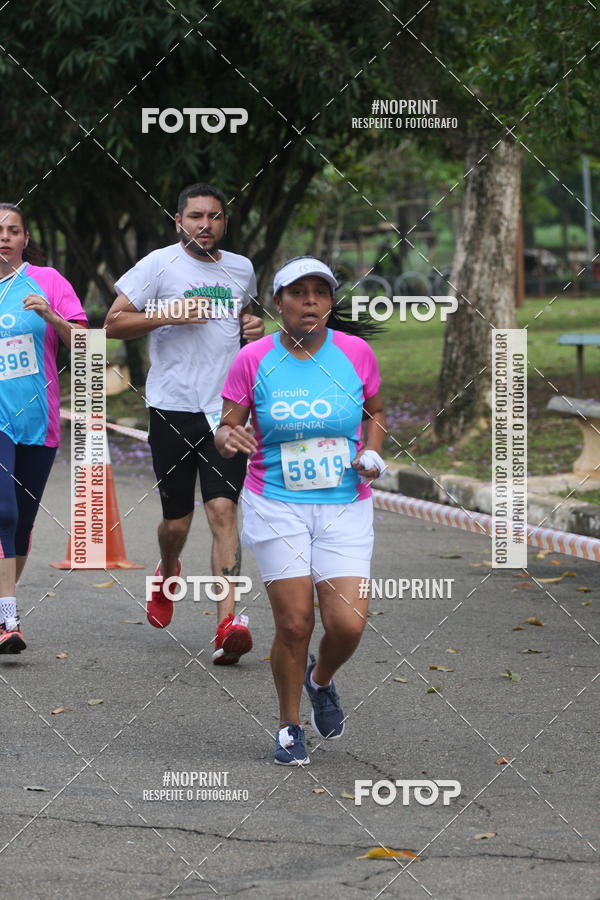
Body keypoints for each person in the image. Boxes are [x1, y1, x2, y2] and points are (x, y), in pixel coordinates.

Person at [215, 256, 387, 764]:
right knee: (294, 624)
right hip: (277, 504)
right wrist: (229, 437)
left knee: (349, 625)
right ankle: (289, 725)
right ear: (278, 303)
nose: (310, 300)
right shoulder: (254, 359)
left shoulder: (355, 353)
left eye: (320, 292)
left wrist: (373, 451)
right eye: (298, 292)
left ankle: (321, 679)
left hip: (344, 506)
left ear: (331, 302)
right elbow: (227, 425)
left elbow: (374, 410)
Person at [104, 182, 264, 664]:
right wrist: (166, 313)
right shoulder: (158, 264)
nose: (205, 225)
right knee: (177, 521)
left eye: (214, 217)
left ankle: (227, 624)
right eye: (195, 216)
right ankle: (168, 567)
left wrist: (254, 328)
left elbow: (247, 323)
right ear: (179, 221)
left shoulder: (241, 269)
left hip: (227, 409)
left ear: (224, 222)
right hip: (172, 408)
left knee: (222, 513)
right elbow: (112, 322)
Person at [0, 203, 87, 654]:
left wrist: (52, 316)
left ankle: (1, 606)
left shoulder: (48, 282)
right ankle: (7, 617)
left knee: (21, 526)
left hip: (38, 422)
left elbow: (87, 346)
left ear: (25, 238)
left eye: (13, 230)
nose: (4, 237)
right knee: (4, 514)